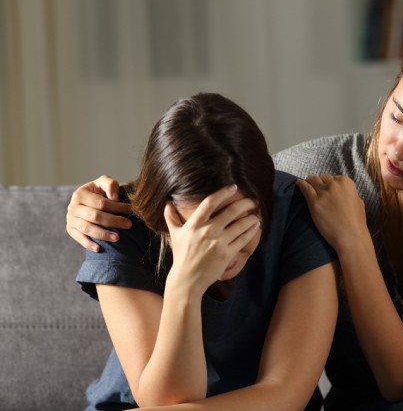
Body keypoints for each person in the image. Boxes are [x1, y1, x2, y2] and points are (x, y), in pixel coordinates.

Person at [67, 24, 403, 410]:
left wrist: (352, 241)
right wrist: (89, 203)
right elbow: (224, 172)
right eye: (397, 115)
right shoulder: (313, 174)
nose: (400, 149)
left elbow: (402, 378)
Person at [72, 92, 338, 410]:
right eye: (199, 229)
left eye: (238, 225)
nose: (222, 250)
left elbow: (285, 393)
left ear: (264, 203)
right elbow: (164, 400)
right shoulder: (118, 225)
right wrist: (186, 284)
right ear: (163, 212)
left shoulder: (296, 213)